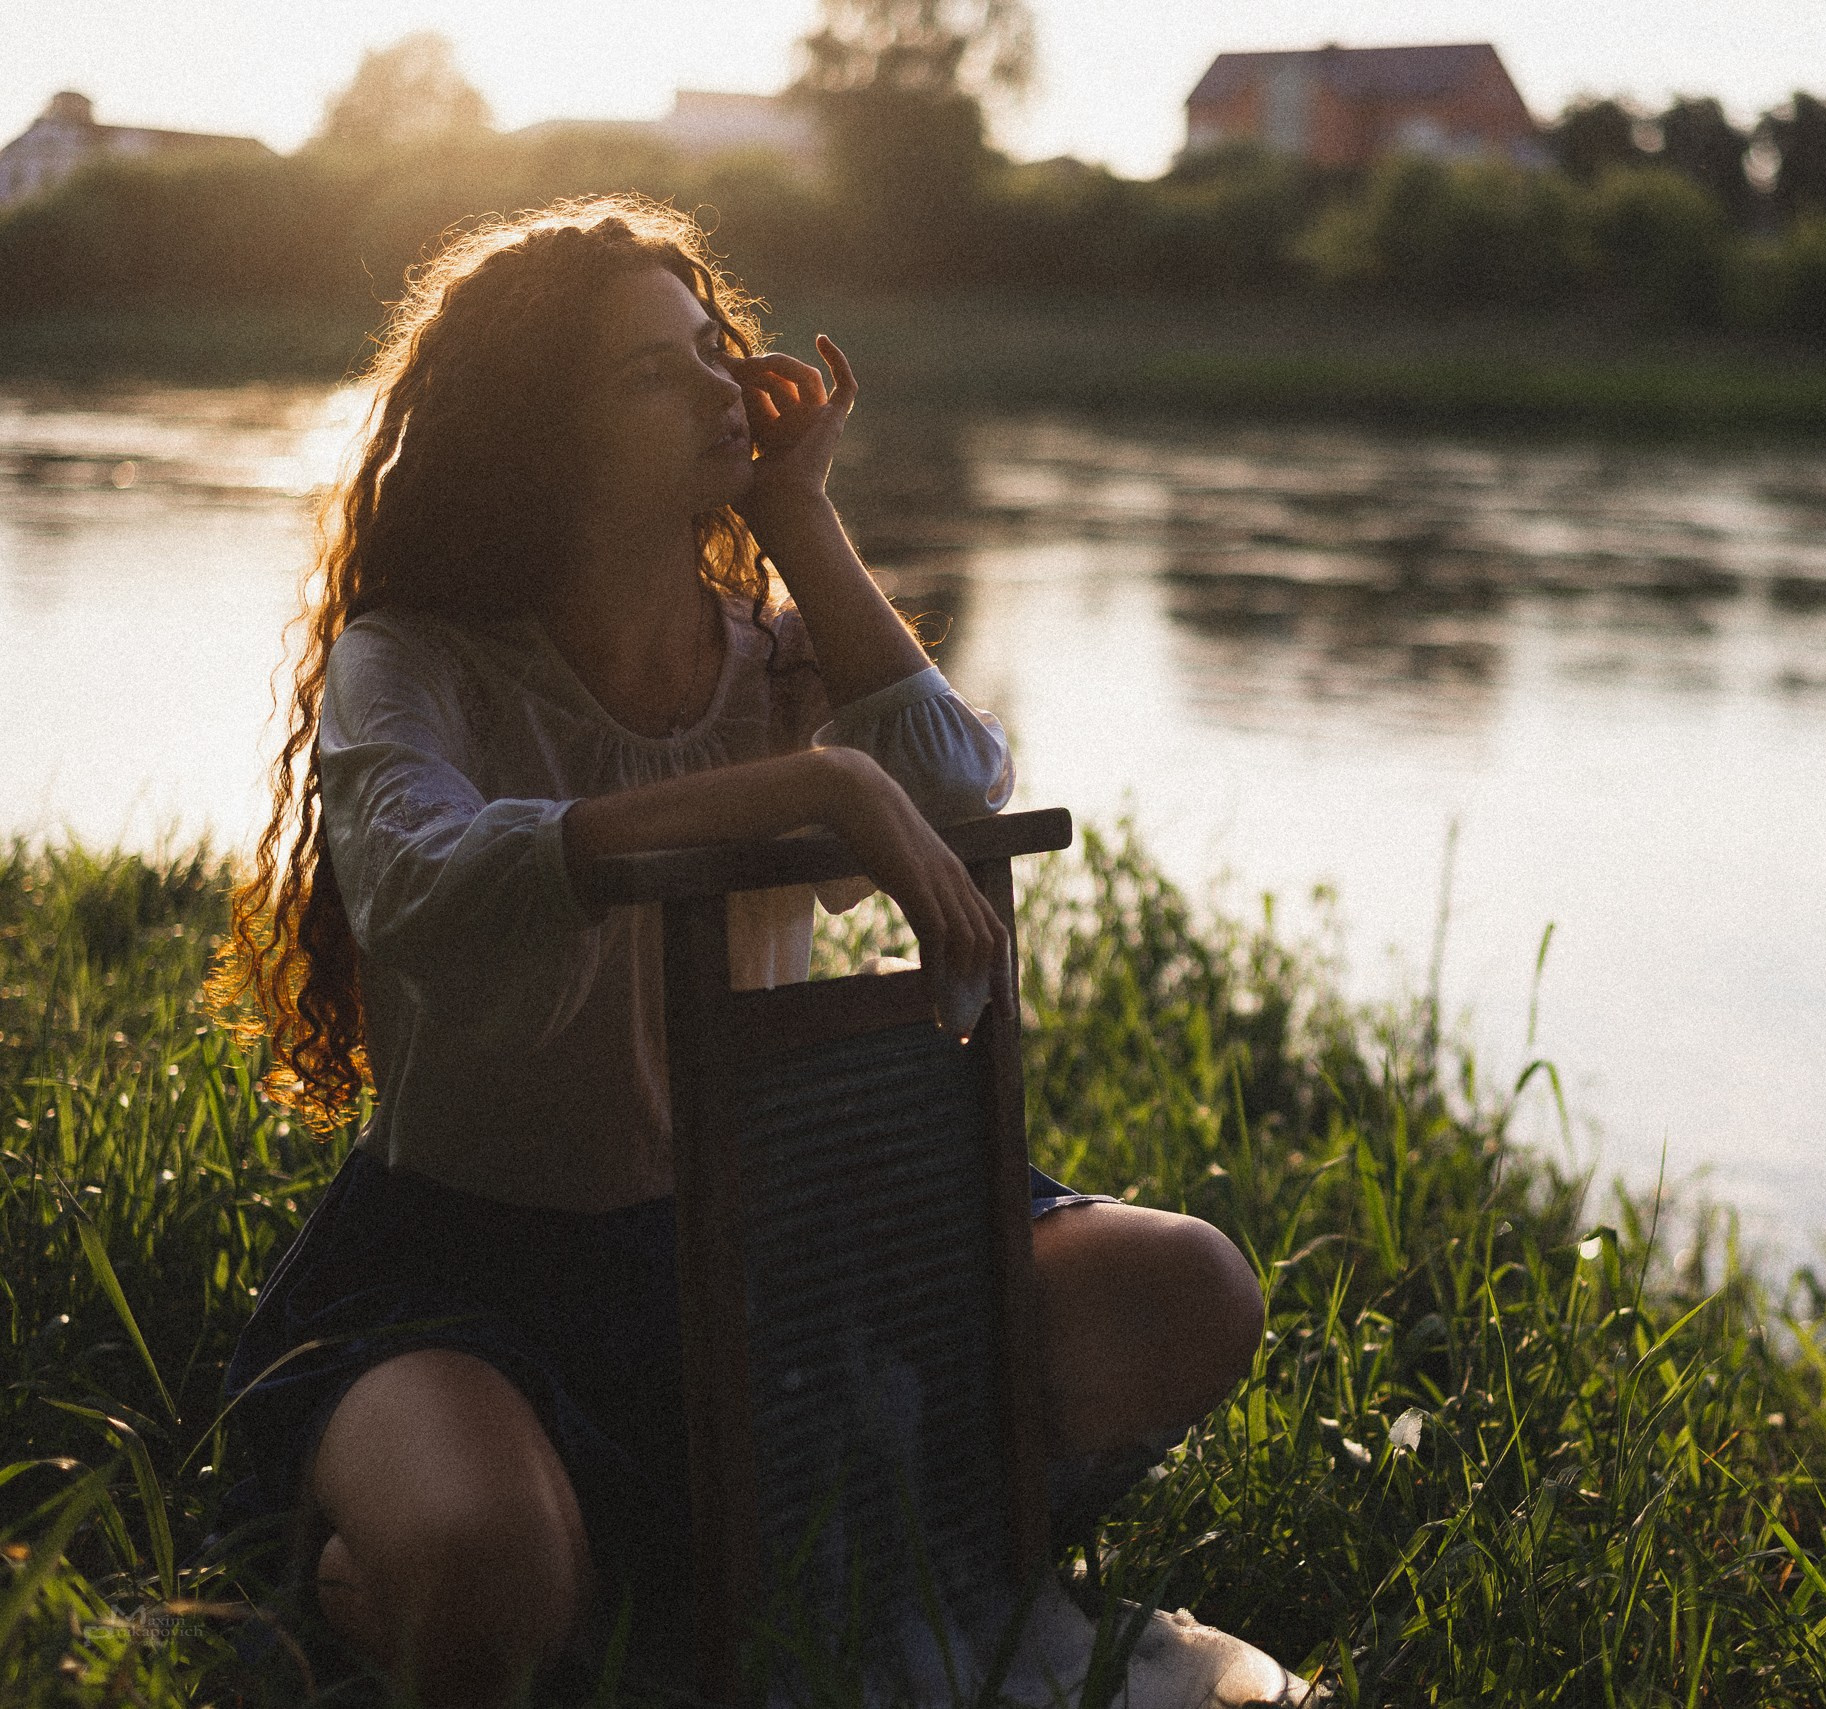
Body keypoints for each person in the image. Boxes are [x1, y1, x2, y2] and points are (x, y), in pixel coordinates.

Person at [214, 195, 1275, 1708]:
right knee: (488, 1556)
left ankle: (773, 1563)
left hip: (780, 1240)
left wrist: (804, 522)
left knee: (1192, 1290)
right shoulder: (420, 659)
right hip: (477, 1268)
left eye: (718, 349)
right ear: (539, 432)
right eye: (657, 373)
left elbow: (961, 801)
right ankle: (479, 1576)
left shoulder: (775, 645)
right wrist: (807, 785)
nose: (725, 386)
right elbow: (422, 883)